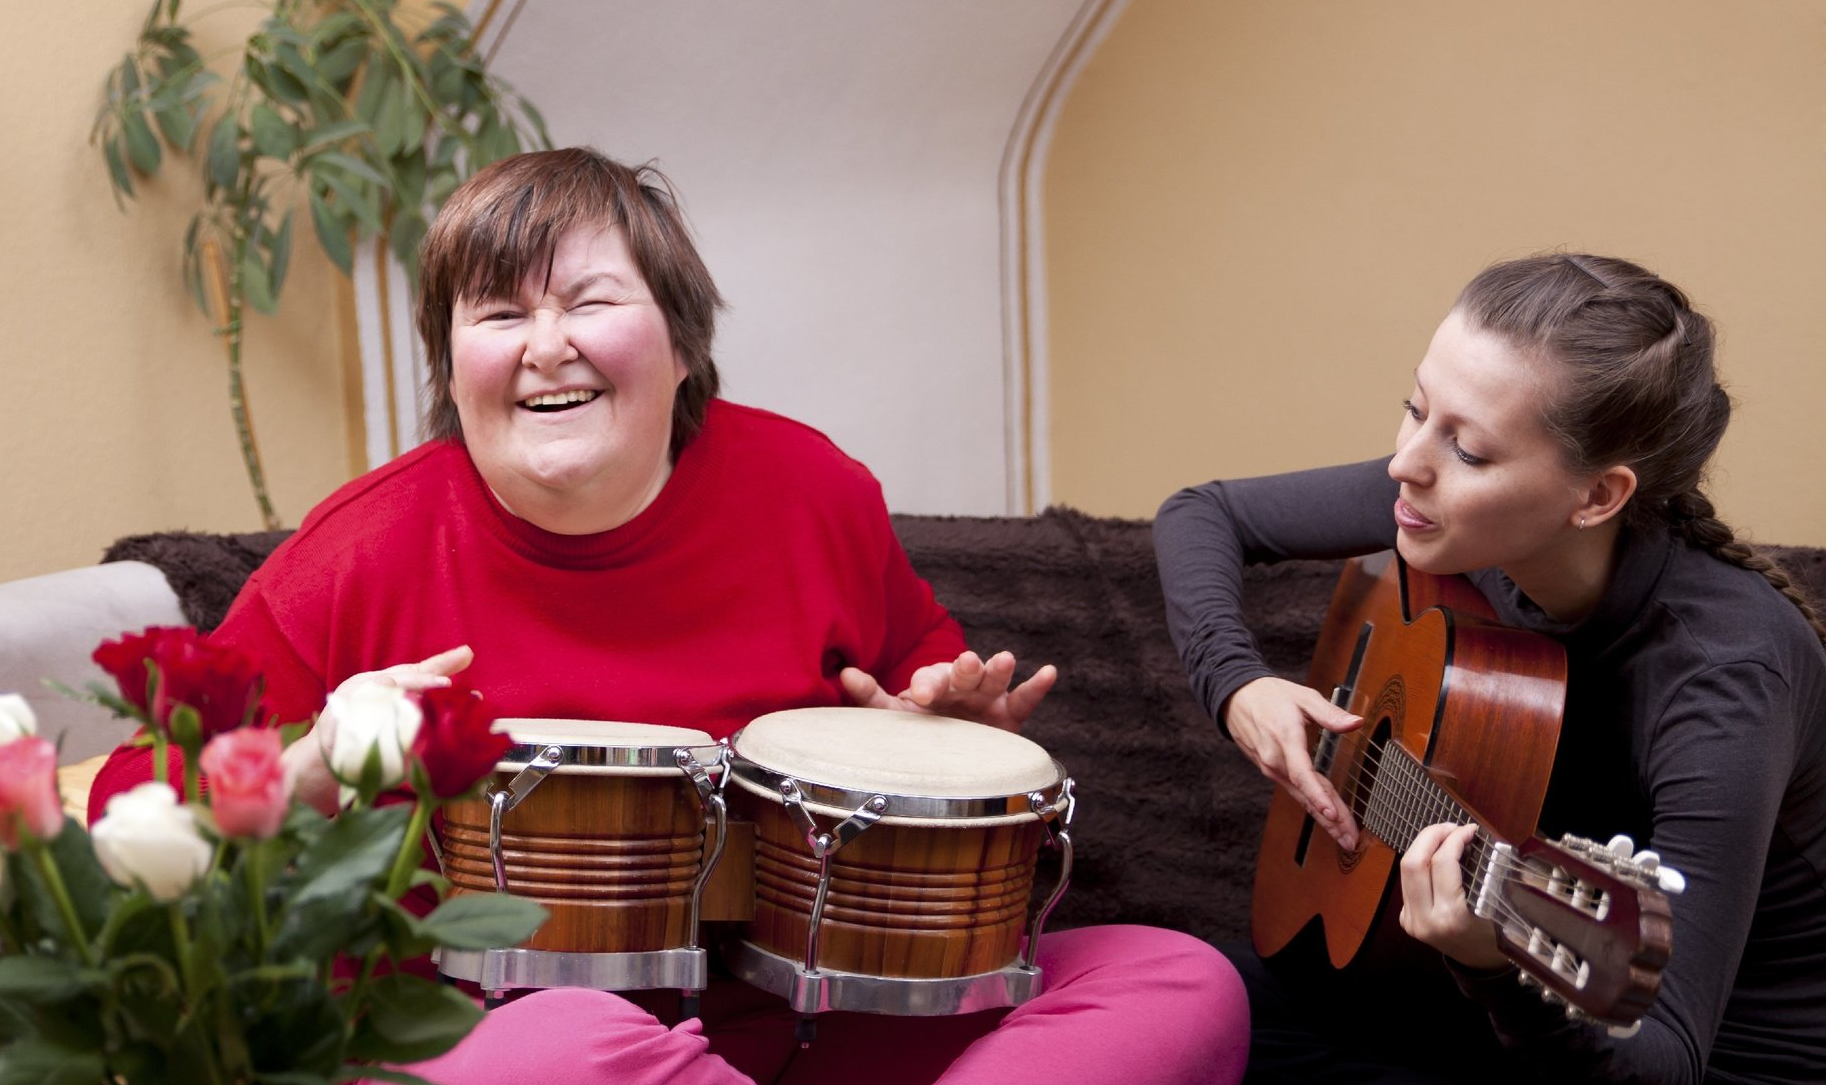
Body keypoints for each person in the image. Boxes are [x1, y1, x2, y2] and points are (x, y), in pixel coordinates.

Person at [88, 147, 1249, 1085]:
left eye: (589, 300)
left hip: (811, 1018)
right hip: (504, 1034)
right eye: (498, 312)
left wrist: (946, 722)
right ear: (450, 363)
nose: (546, 344)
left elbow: (920, 672)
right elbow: (128, 804)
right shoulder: (359, 550)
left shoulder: (812, 490)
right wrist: (309, 765)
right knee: (558, 1045)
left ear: (684, 344)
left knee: (1180, 980)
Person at [1154, 252, 1826, 1084]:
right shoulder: (1454, 512)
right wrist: (1238, 685)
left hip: (1681, 1060)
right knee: (1169, 1001)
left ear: (1598, 496)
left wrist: (1492, 967)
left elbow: (1667, 1059)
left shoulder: (1728, 678)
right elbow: (1203, 514)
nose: (1405, 464)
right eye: (1415, 409)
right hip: (1468, 1010)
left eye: (1468, 449)